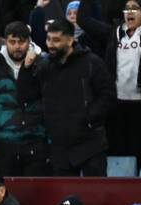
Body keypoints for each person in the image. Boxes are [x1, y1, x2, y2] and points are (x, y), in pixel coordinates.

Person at [78, 0, 141, 168]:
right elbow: (82, 19)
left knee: (138, 153)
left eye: (135, 8)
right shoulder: (113, 33)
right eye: (127, 8)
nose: (129, 12)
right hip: (115, 105)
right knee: (116, 152)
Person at [19, 18, 115, 176]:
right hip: (59, 147)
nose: (50, 44)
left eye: (56, 40)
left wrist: (90, 118)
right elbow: (26, 96)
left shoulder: (92, 62)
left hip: (90, 143)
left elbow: (108, 95)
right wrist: (26, 70)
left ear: (70, 40)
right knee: (64, 197)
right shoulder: (45, 66)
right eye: (48, 39)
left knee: (96, 193)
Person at [0, 21, 49, 177]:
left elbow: (51, 104)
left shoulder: (43, 65)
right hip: (5, 143)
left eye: (21, 42)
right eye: (12, 42)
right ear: (5, 41)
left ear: (29, 42)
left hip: (36, 141)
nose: (17, 46)